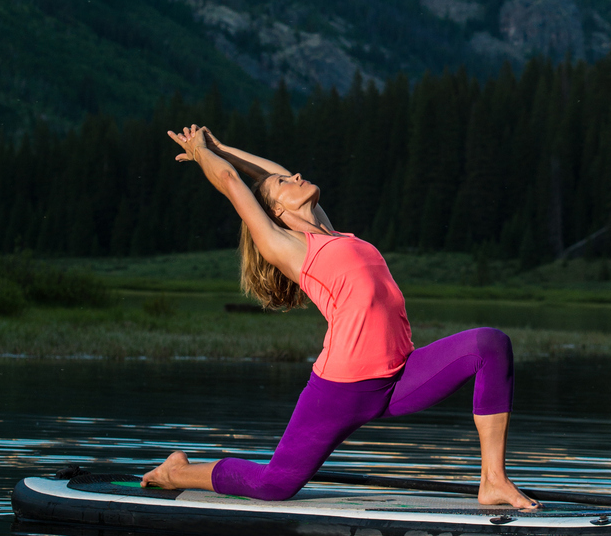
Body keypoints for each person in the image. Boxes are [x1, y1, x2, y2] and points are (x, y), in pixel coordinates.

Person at [142, 124, 537, 511]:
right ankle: (178, 472)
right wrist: (203, 155)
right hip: (340, 392)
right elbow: (232, 182)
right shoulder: (287, 248)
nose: (295, 175)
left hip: (399, 377)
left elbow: (264, 173)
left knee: (490, 344)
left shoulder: (330, 233)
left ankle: (493, 480)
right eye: (284, 183)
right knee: (274, 485)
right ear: (276, 211)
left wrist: (223, 146)